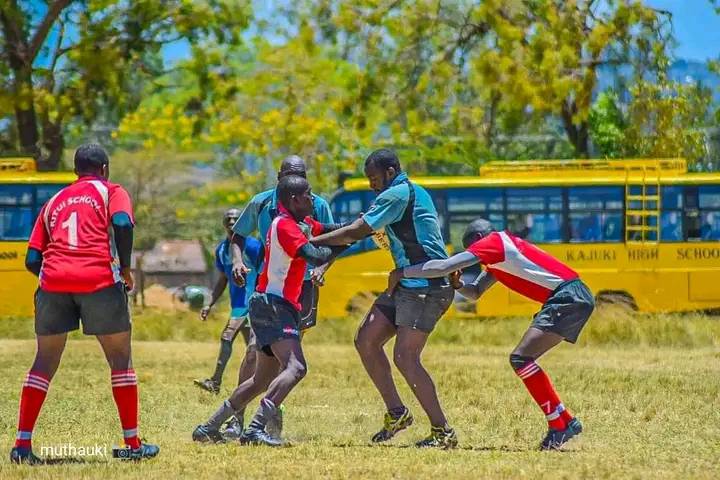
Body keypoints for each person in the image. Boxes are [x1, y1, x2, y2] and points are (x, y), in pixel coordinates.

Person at [389, 218, 595, 450]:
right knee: (523, 359)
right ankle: (564, 420)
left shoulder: (494, 243)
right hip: (572, 295)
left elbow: (444, 266)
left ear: (478, 240)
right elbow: (475, 291)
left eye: (472, 251)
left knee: (521, 358)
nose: (473, 256)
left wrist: (402, 272)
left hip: (567, 297)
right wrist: (458, 286)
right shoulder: (502, 256)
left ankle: (560, 423)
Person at [10, 144, 159, 464]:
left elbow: (32, 258)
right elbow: (122, 223)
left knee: (44, 362)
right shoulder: (112, 191)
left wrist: (56, 276)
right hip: (98, 281)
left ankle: (22, 445)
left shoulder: (53, 202)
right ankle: (133, 445)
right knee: (121, 360)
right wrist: (126, 268)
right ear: (104, 169)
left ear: (76, 170)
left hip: (52, 284)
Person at [311, 148, 457, 449]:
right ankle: (397, 413)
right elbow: (357, 233)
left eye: (374, 178)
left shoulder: (398, 194)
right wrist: (323, 259)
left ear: (390, 172)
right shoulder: (401, 194)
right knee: (366, 339)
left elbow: (356, 231)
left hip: (426, 286)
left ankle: (443, 432)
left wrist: (306, 243)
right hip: (406, 282)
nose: (371, 184)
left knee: (405, 357)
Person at [192, 175, 346, 446]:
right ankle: (255, 429)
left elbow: (332, 228)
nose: (314, 199)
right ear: (295, 200)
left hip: (266, 304)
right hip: (276, 306)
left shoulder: (302, 222)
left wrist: (364, 226)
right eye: (309, 195)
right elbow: (318, 256)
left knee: (260, 379)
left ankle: (209, 427)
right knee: (296, 367)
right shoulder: (286, 227)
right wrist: (349, 241)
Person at [230, 155, 334, 330]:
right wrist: (237, 262)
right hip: (269, 281)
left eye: (301, 175)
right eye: (289, 175)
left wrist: (321, 269)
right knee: (261, 343)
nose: (296, 180)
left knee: (292, 336)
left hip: (304, 282)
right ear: (279, 177)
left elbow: (332, 240)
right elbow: (238, 236)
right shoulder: (260, 203)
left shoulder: (317, 205)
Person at [193, 209, 264, 438]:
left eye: (236, 219)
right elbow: (223, 280)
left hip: (253, 303)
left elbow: (264, 272)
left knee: (245, 348)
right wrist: (209, 303)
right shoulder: (222, 250)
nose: (232, 223)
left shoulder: (253, 246)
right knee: (249, 355)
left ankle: (220, 384)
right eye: (229, 220)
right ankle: (238, 401)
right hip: (238, 305)